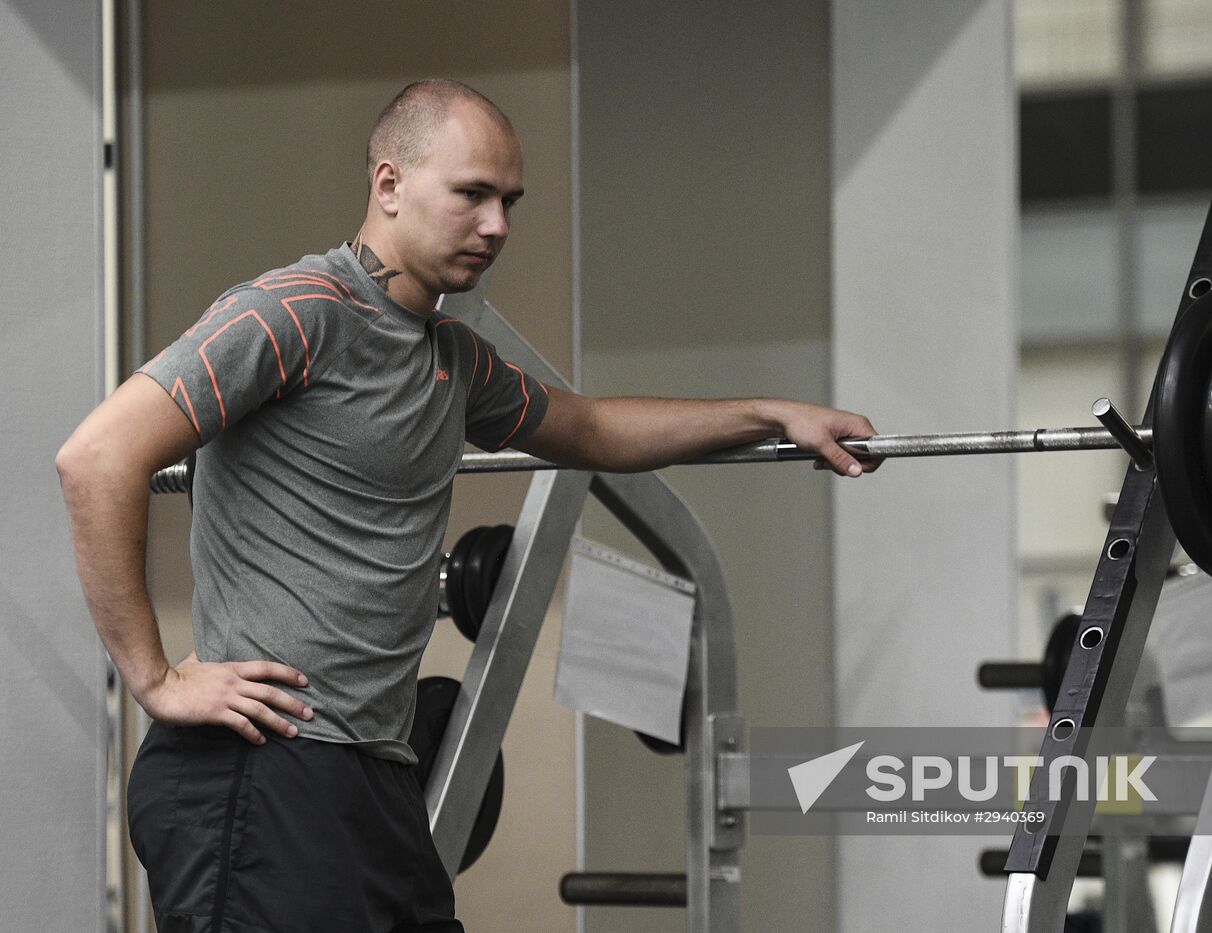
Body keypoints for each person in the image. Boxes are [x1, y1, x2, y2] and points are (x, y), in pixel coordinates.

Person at [55, 78, 880, 933]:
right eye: (473, 195)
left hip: (374, 776)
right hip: (264, 771)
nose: (498, 227)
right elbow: (97, 456)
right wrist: (153, 678)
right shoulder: (295, 314)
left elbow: (590, 428)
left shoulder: (451, 359)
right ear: (389, 185)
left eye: (510, 202)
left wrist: (773, 413)